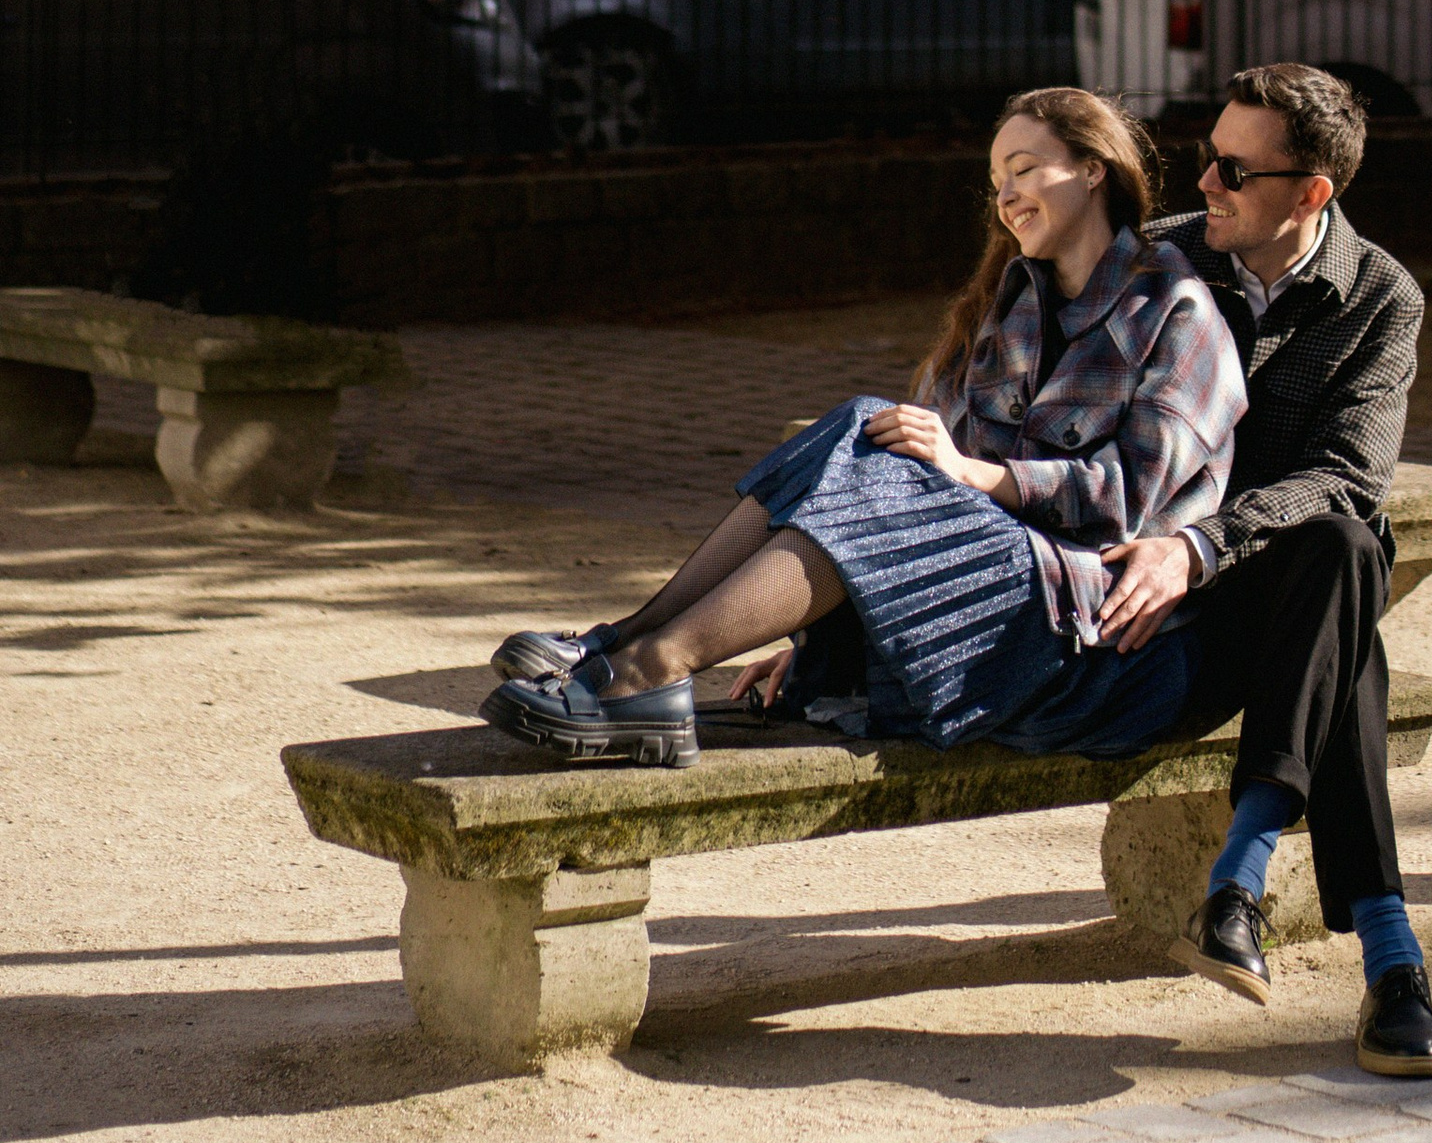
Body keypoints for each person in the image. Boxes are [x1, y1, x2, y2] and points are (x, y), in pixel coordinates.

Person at [483, 87, 1242, 767]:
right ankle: (624, 651)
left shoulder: (1174, 311)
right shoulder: (1008, 307)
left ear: (1092, 169)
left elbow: (1132, 502)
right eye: (996, 181)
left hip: (1084, 636)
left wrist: (983, 475)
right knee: (867, 426)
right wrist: (824, 642)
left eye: (1023, 169)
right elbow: (890, 491)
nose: (1006, 196)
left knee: (873, 431)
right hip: (983, 600)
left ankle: (643, 666)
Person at [1096, 62, 1432, 1084]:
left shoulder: (1378, 297)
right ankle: (1384, 953)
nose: (1203, 181)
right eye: (1205, 155)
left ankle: (1244, 883)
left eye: (1233, 170)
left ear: (1311, 194)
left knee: (1338, 547)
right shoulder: (1154, 265)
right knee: (1347, 628)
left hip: (1257, 580)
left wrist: (1207, 541)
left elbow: (1345, 475)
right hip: (1148, 595)